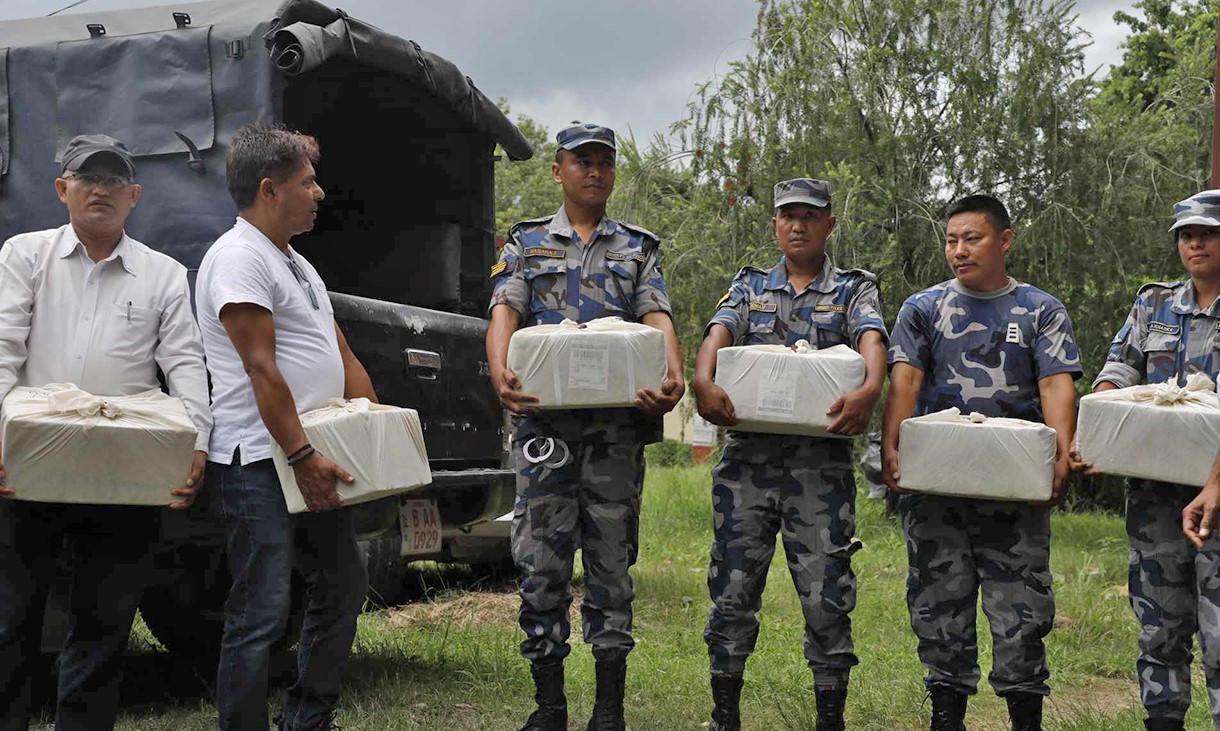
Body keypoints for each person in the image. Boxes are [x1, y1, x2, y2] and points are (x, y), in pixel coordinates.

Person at [0, 134, 211, 731]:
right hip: (29, 464)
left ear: (135, 196)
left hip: (126, 469)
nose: (100, 189)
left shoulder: (165, 275)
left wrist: (196, 440)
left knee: (105, 622)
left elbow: (186, 363)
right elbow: (2, 347)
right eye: (86, 178)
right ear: (61, 189)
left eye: (114, 180)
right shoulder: (24, 255)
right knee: (11, 618)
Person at [485, 122, 684, 731]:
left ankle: (608, 710)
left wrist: (672, 377)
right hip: (545, 431)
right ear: (558, 170)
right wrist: (498, 371)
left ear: (613, 172)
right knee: (541, 564)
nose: (594, 171)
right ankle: (549, 706)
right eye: (581, 161)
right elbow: (504, 311)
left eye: (604, 162)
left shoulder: (637, 247)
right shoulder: (524, 242)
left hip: (615, 435)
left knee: (610, 564)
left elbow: (656, 317)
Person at [195, 123, 376, 731]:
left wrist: (373, 427)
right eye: (308, 182)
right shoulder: (239, 258)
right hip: (259, 462)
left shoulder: (294, 262)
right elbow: (260, 368)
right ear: (270, 190)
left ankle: (308, 720)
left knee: (344, 587)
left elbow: (339, 349)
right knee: (262, 610)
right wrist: (302, 456)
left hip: (309, 454)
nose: (319, 193)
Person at [690, 178, 888, 731]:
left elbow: (872, 339)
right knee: (731, 591)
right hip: (747, 466)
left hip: (819, 469)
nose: (797, 224)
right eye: (787, 216)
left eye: (809, 215)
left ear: (828, 223)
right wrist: (703, 380)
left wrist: (870, 389)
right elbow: (718, 333)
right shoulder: (750, 284)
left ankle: (831, 720)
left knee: (827, 598)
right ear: (775, 224)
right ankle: (723, 716)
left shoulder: (853, 288)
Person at [881, 194, 1080, 731]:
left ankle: (1024, 719)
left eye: (973, 239)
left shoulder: (1040, 310)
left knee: (1021, 616)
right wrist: (891, 445)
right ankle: (947, 717)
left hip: (1013, 491)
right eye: (951, 240)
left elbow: (1056, 384)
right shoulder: (923, 308)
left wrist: (1061, 454)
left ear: (1005, 240)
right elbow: (905, 381)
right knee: (939, 612)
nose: (959, 251)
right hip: (937, 493)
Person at [1078, 188, 1220, 731]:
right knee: (1160, 626)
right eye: (1186, 234)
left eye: (1207, 232)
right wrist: (1098, 430)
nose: (1195, 243)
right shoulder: (1154, 303)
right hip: (1156, 498)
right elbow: (1119, 371)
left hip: (1218, 495)